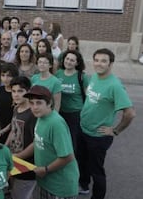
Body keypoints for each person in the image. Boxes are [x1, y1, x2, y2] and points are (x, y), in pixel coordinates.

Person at [78, 48, 136, 199]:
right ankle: (83, 186)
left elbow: (130, 113)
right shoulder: (95, 77)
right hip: (84, 130)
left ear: (110, 64)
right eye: (96, 60)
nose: (99, 64)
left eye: (103, 61)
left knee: (96, 171)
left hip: (98, 137)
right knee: (82, 162)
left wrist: (115, 131)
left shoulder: (115, 86)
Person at [24, 85, 79, 199]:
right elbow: (38, 142)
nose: (34, 107)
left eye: (39, 103)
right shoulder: (40, 117)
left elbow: (67, 156)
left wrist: (46, 169)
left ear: (49, 103)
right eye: (31, 103)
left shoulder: (56, 124)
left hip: (60, 186)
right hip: (46, 182)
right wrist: (18, 156)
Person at [5, 76, 37, 199]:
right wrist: (5, 148)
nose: (16, 95)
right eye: (13, 91)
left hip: (27, 165)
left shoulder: (33, 113)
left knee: (21, 194)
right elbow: (14, 129)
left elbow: (36, 143)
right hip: (14, 159)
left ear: (28, 92)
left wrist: (18, 157)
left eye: (20, 91)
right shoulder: (17, 108)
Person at [55, 50, 88, 157]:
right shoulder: (58, 73)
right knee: (60, 140)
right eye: (67, 59)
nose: (68, 62)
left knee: (72, 142)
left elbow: (88, 97)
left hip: (75, 114)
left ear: (77, 63)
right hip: (60, 113)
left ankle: (72, 166)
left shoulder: (81, 76)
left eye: (72, 60)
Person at [0, 62, 19, 143]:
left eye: (9, 76)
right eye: (3, 75)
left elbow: (16, 118)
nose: (5, 79)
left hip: (14, 128)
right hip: (0, 126)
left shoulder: (17, 94)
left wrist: (3, 131)